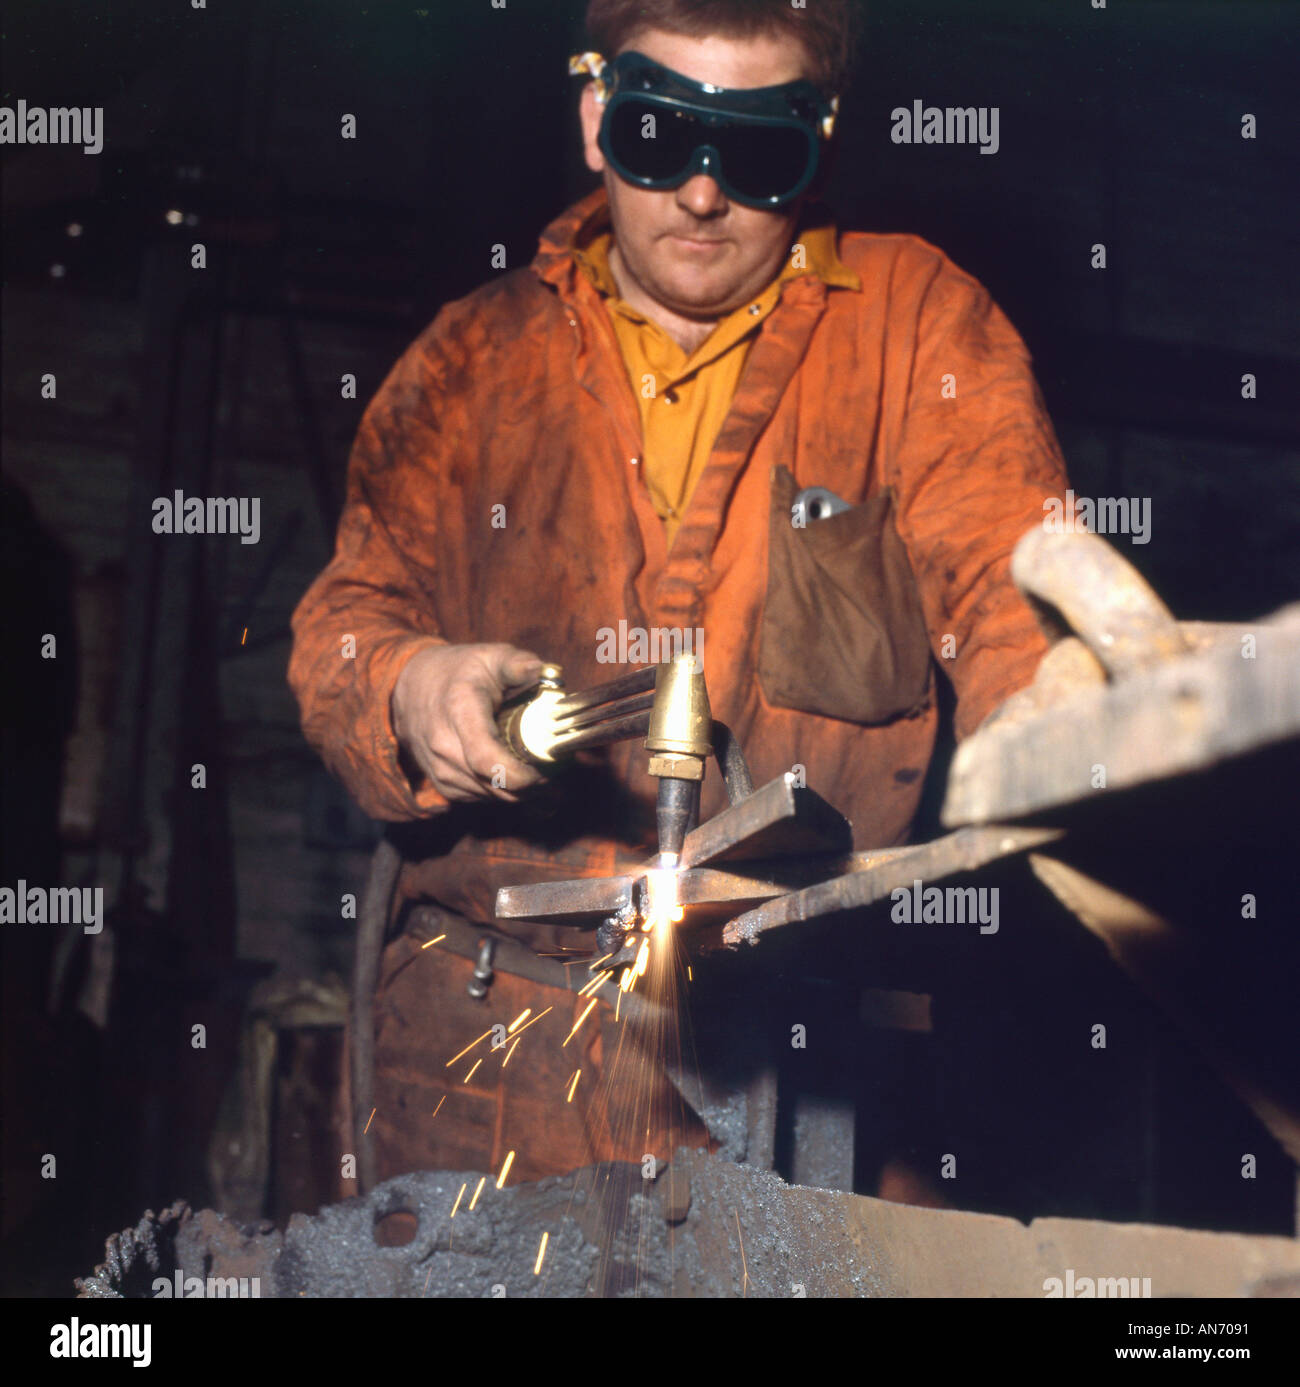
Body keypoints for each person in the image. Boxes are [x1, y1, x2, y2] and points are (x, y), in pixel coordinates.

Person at [289, 0, 1068, 1192]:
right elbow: (345, 626)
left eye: (756, 149)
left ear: (821, 135)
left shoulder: (912, 326)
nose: (703, 194)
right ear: (598, 114)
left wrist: (1054, 725)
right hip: (491, 1047)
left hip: (801, 1047)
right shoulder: (470, 361)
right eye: (663, 134)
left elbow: (1012, 588)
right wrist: (407, 684)